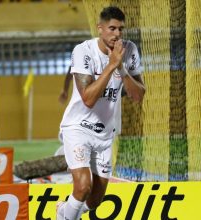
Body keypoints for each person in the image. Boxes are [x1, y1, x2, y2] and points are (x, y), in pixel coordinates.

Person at [56, 6, 145, 219]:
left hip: (104, 134)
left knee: (94, 200)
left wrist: (121, 68)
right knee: (83, 186)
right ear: (100, 29)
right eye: (112, 28)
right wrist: (111, 65)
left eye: (121, 29)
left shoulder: (129, 50)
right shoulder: (83, 51)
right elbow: (87, 98)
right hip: (78, 128)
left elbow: (139, 95)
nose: (117, 34)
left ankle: (64, 211)